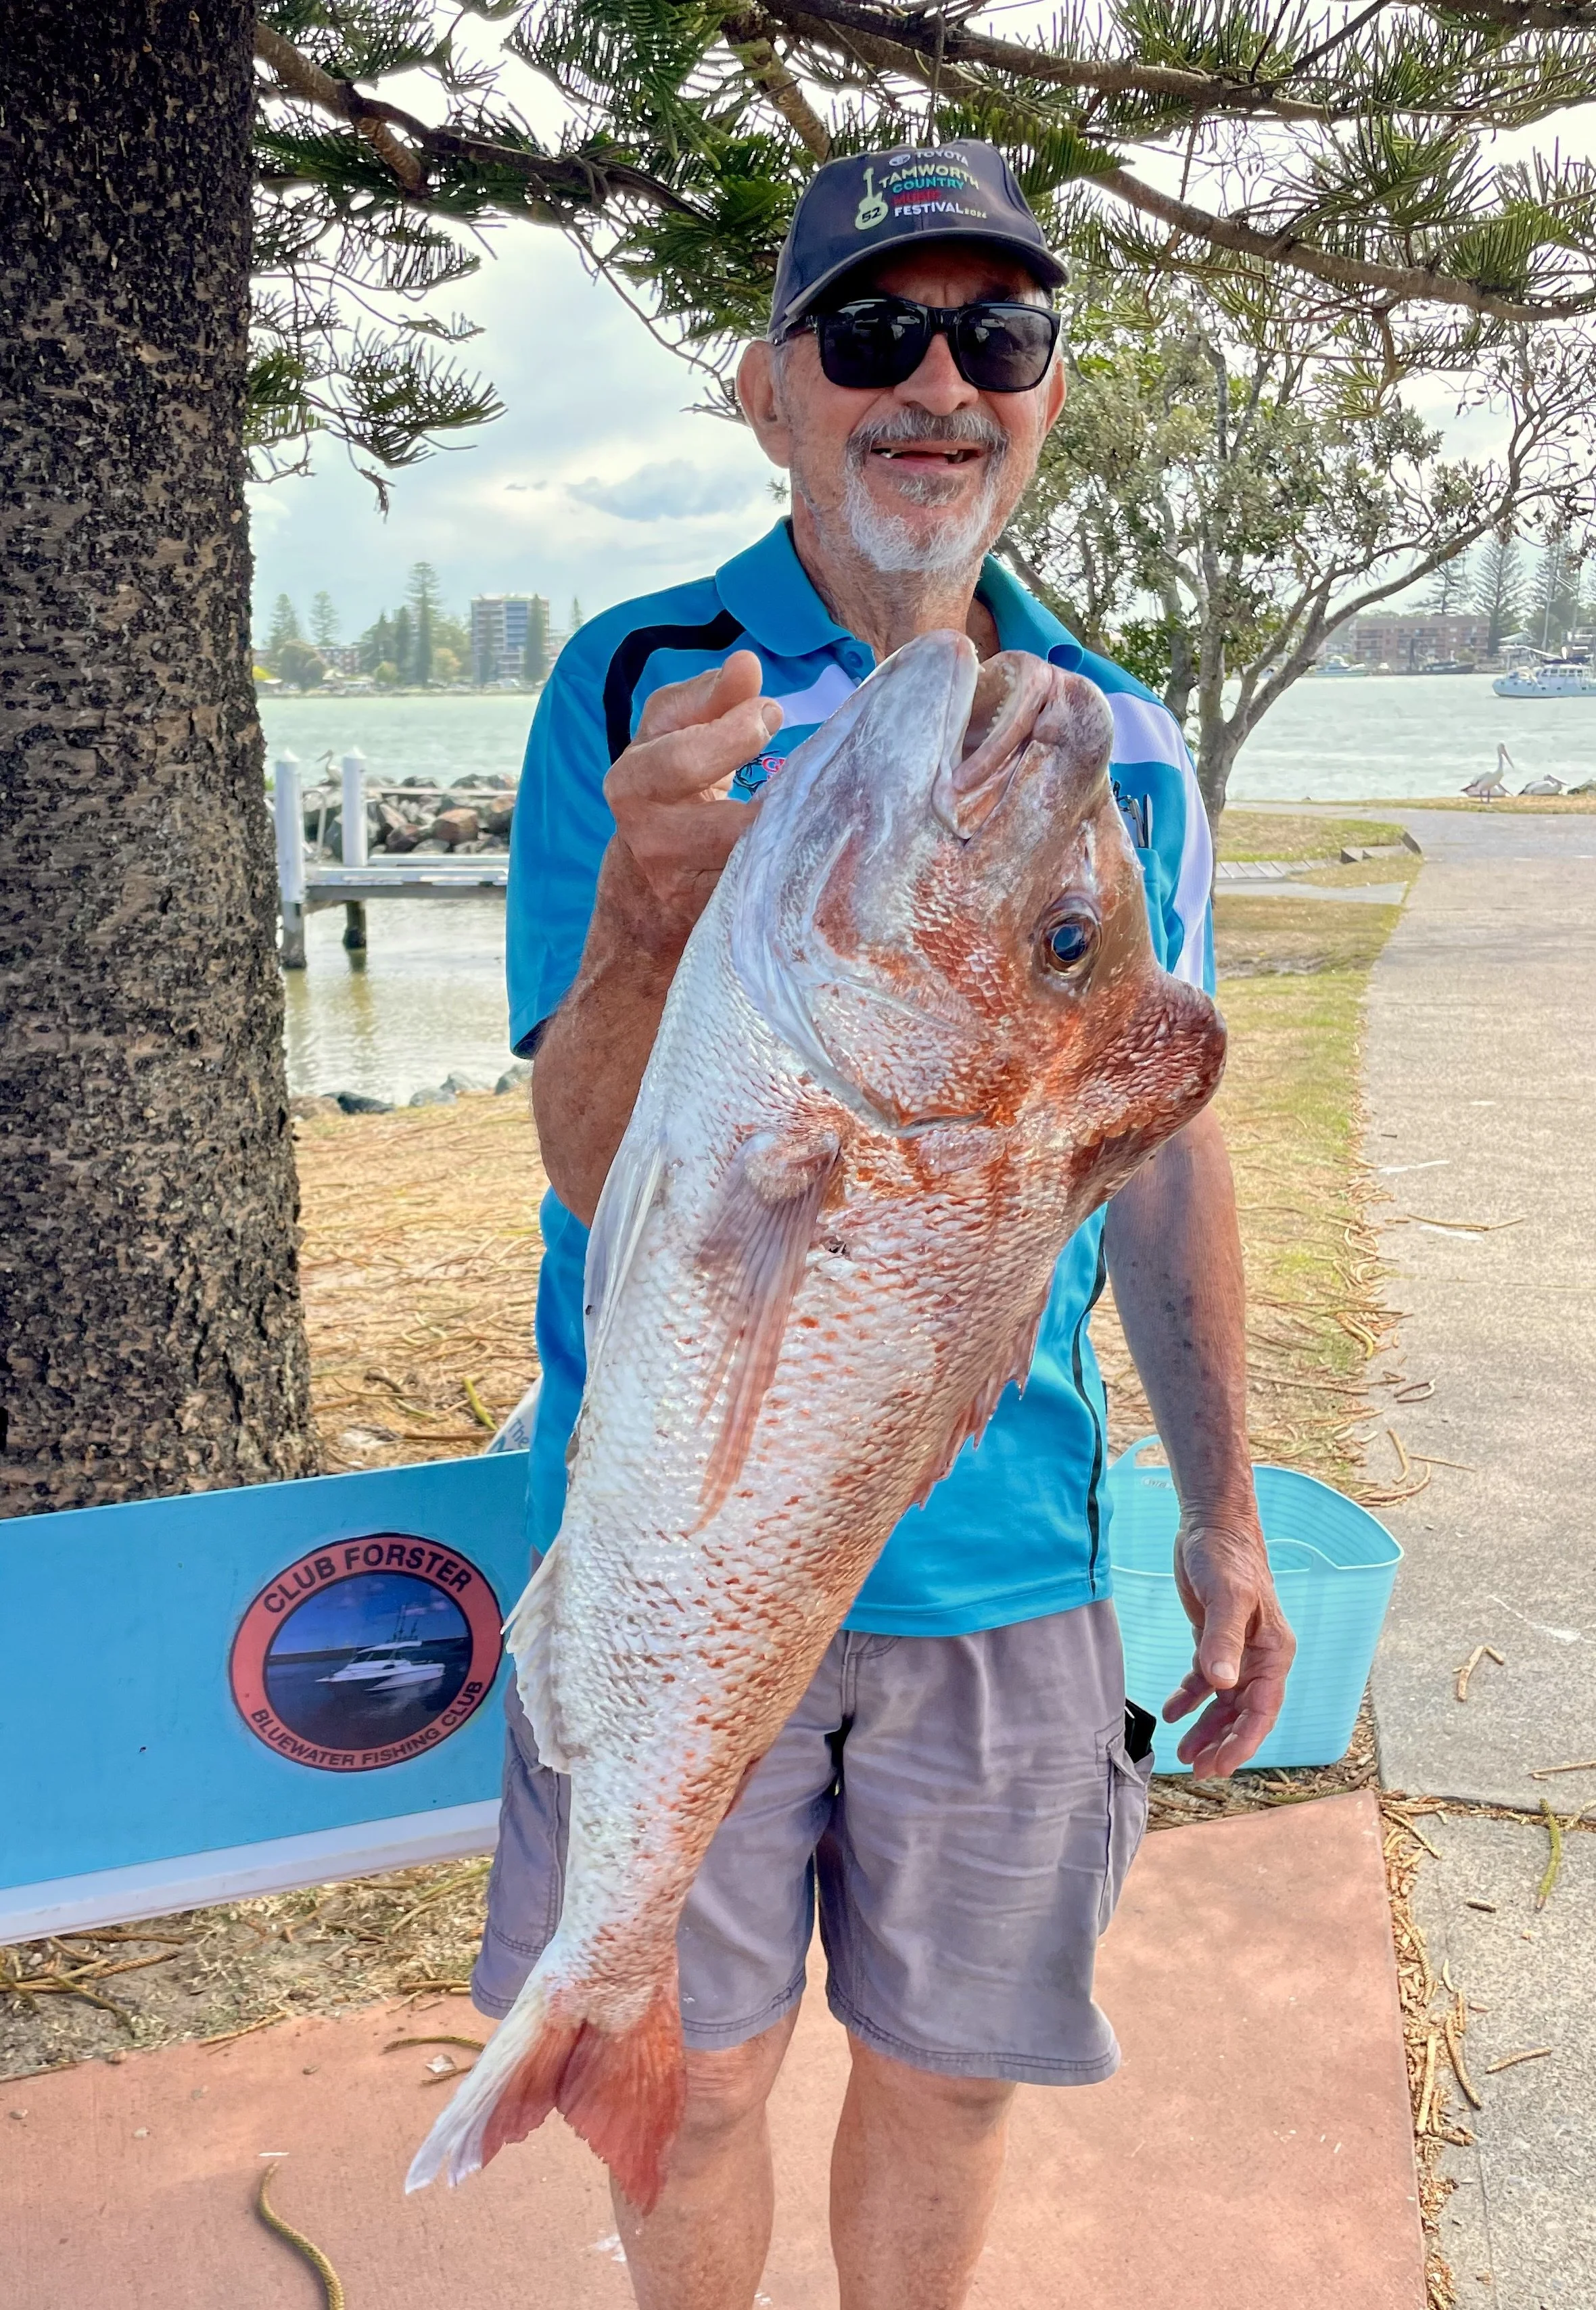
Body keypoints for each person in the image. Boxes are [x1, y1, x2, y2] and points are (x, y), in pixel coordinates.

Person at [481, 140, 1294, 2310]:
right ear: (771, 392)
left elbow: (1164, 1146)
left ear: (1040, 391)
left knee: (948, 2081)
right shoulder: (646, 689)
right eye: (875, 331)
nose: (939, 382)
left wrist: (1222, 1512)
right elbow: (590, 1161)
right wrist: (653, 911)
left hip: (1015, 1544)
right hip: (689, 1549)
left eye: (998, 334)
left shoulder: (1106, 731)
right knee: (706, 2076)